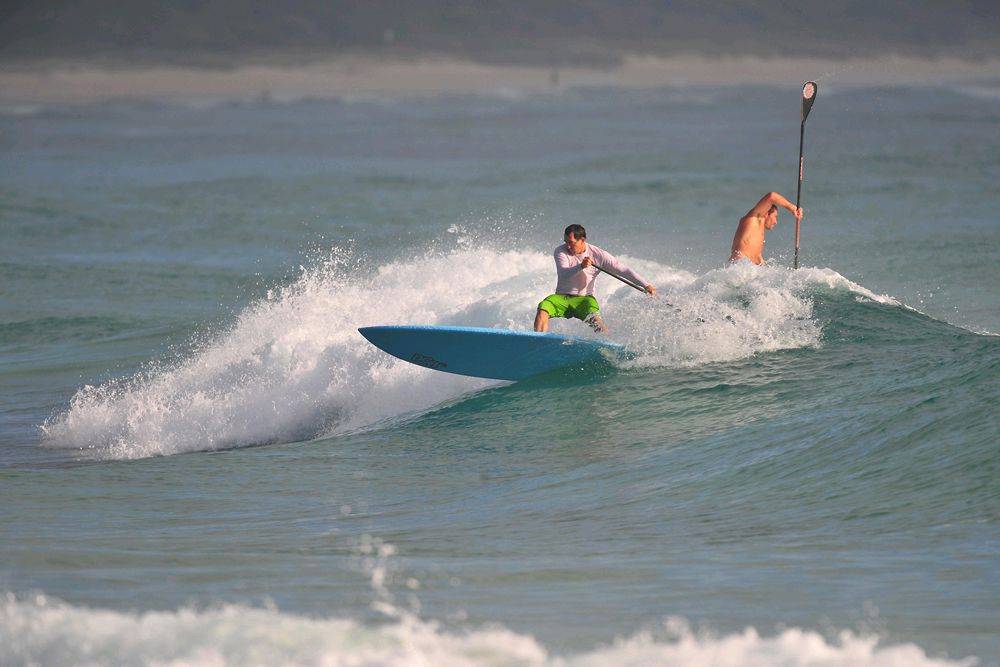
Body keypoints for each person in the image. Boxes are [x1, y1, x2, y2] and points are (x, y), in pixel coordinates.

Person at [534, 224, 655, 333]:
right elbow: (563, 274)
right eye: (566, 242)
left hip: (584, 299)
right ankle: (538, 341)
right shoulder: (560, 251)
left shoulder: (598, 254)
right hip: (562, 297)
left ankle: (607, 347)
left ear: (582, 240)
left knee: (597, 322)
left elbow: (623, 270)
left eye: (571, 242)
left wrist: (645, 285)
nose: (568, 246)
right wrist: (581, 266)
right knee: (544, 306)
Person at [729, 192, 803, 265]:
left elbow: (757, 258)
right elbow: (772, 196)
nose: (775, 222)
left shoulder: (757, 233)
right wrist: (792, 207)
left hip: (746, 268)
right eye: (775, 217)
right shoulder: (753, 218)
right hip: (740, 265)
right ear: (767, 214)